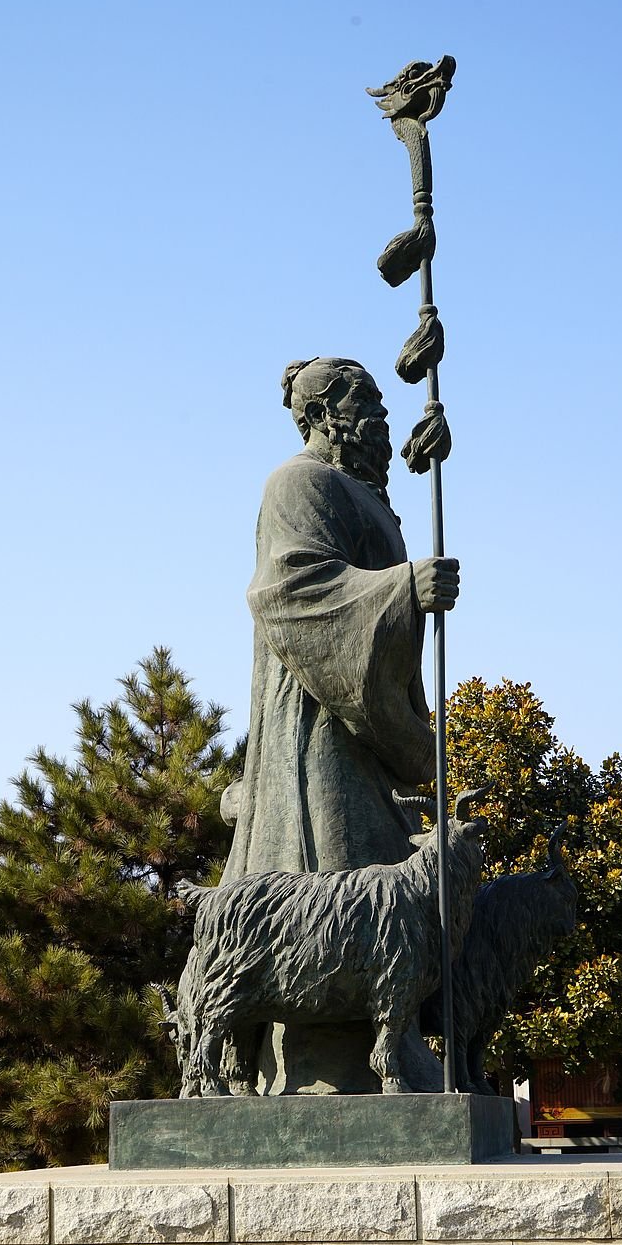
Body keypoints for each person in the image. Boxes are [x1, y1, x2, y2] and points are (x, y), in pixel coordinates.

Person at [224, 356, 460, 882]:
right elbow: (292, 590)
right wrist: (405, 587)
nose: (381, 412)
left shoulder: (364, 494)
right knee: (337, 887)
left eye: (380, 399)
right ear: (319, 414)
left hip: (363, 735)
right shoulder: (298, 481)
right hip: (318, 722)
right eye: (364, 398)